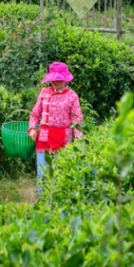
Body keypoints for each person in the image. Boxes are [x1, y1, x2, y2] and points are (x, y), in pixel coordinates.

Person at [29, 61, 83, 194]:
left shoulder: (72, 96)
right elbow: (35, 113)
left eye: (59, 79)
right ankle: (42, 200)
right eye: (53, 79)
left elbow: (77, 119)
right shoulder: (44, 92)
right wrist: (31, 128)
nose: (55, 82)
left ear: (65, 80)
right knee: (42, 172)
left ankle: (58, 201)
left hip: (62, 139)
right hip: (44, 137)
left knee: (60, 171)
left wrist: (78, 138)